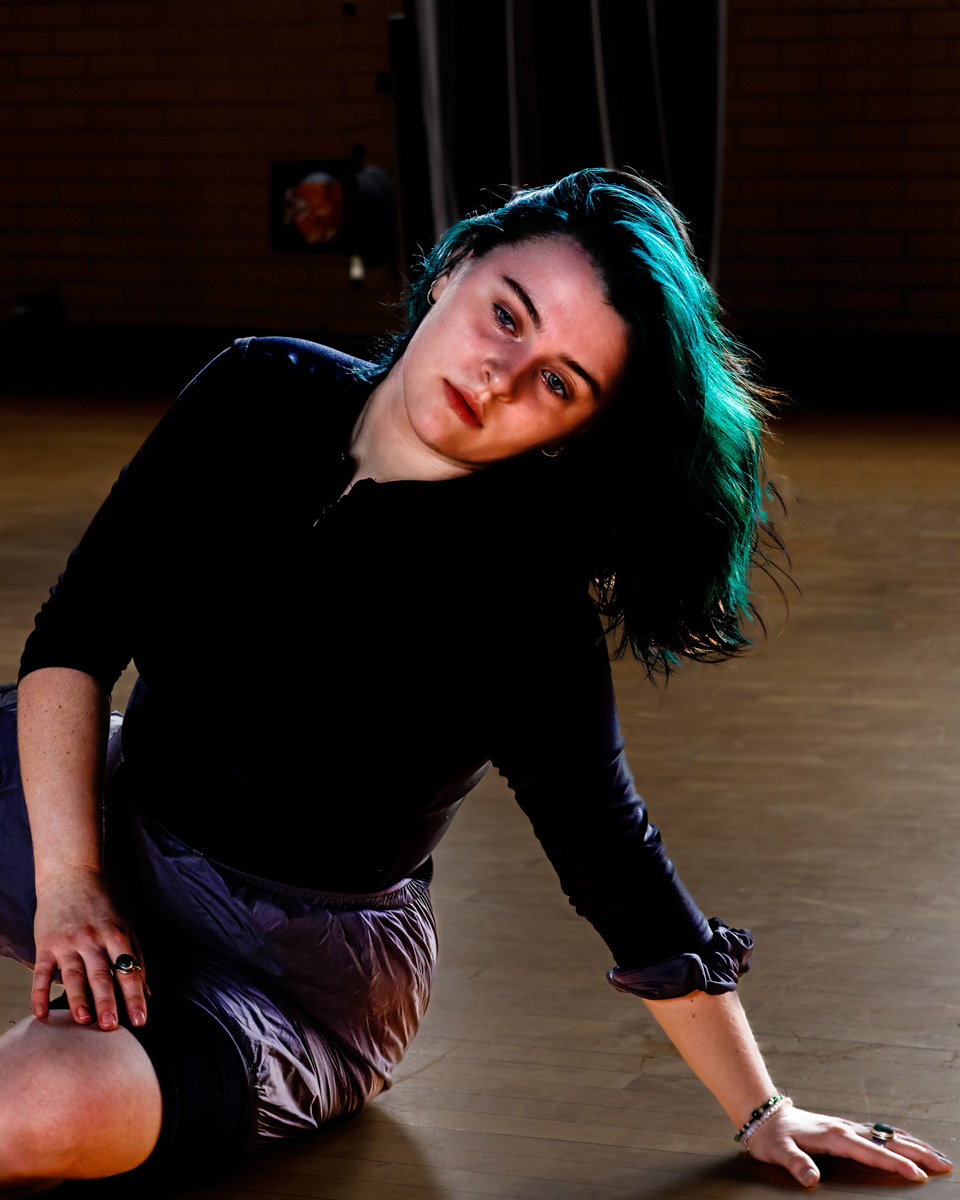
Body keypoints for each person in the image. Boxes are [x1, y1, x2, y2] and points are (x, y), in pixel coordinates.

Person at [0, 168, 950, 1194]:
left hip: (293, 968)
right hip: (117, 821)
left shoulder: (524, 603)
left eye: (557, 383)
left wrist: (765, 1111)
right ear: (454, 267)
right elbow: (75, 636)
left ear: (574, 430)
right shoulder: (256, 389)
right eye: (506, 314)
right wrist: (72, 885)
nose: (498, 378)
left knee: (32, 1107)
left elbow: (614, 860)